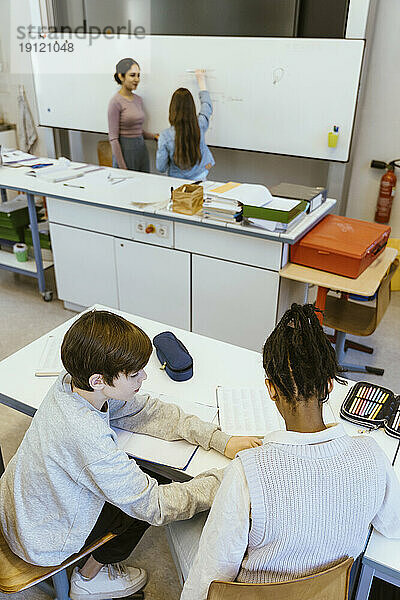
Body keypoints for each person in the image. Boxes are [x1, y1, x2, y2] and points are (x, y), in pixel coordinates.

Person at [0, 310, 261, 600]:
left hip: (21, 508)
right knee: (152, 488)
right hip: (44, 541)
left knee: (138, 480)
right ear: (100, 380)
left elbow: (145, 411)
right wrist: (228, 477)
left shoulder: (73, 383)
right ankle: (89, 578)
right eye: (134, 374)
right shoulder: (87, 438)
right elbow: (154, 506)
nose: (145, 376)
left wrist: (220, 440)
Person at [179, 303, 400, 600]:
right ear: (330, 386)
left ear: (271, 389)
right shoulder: (372, 455)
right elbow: (392, 525)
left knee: (184, 522)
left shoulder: (247, 472)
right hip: (326, 593)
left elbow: (210, 580)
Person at [156, 70, 215, 180]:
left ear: (172, 109)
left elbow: (161, 167)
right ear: (192, 108)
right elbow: (207, 106)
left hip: (176, 180)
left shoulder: (165, 136)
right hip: (201, 176)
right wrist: (201, 81)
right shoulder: (200, 124)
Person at [108, 58, 158, 172]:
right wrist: (122, 168)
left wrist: (154, 137)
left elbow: (137, 130)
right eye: (132, 75)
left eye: (138, 75)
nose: (137, 79)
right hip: (125, 152)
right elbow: (113, 139)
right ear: (121, 76)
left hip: (141, 150)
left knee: (143, 185)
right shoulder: (115, 102)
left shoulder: (138, 100)